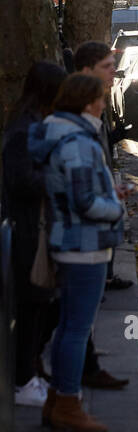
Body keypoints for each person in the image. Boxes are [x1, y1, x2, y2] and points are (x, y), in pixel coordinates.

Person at [29, 72, 128, 432]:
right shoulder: (78, 141)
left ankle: (57, 401)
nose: (105, 103)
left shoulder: (57, 131)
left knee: (68, 327)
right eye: (101, 98)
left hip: (70, 241)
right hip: (84, 245)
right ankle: (68, 404)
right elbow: (84, 201)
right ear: (88, 103)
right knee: (75, 328)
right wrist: (115, 208)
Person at [1, 61, 66, 407]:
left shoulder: (34, 125)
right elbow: (20, 181)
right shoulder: (24, 130)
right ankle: (23, 381)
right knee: (31, 307)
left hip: (38, 226)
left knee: (41, 305)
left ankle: (28, 373)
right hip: (28, 230)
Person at [73, 41, 133, 292]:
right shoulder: (79, 113)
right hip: (83, 234)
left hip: (97, 216)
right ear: (87, 71)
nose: (113, 71)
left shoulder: (96, 104)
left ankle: (105, 277)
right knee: (79, 325)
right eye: (106, 66)